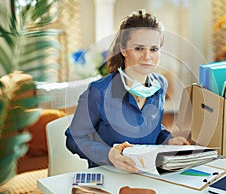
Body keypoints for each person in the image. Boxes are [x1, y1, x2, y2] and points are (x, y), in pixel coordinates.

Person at [65, 10, 189, 173]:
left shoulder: (160, 85)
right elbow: (74, 138)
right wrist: (109, 154)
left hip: (148, 173)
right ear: (123, 50)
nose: (147, 57)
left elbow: (154, 129)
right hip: (111, 175)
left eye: (154, 49)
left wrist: (169, 141)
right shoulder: (99, 92)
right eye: (139, 49)